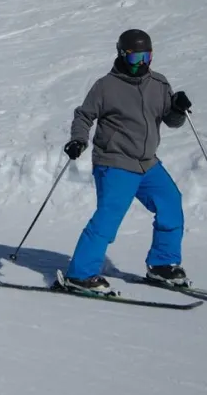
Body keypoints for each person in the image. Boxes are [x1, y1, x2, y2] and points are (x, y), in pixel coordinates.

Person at [61, 29, 192, 292]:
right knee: (108, 218)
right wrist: (78, 139)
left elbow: (172, 121)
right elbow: (84, 116)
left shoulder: (160, 84)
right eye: (135, 58)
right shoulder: (105, 86)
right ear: (122, 55)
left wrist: (178, 108)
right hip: (115, 161)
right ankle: (80, 275)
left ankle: (163, 265)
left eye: (147, 57)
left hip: (147, 163)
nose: (142, 63)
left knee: (171, 204)